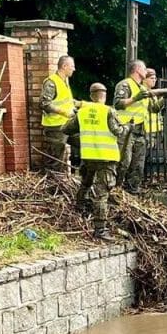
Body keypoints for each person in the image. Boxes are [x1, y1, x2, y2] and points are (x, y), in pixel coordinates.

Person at [63, 83, 125, 240]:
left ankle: (78, 210)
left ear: (91, 96)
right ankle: (100, 229)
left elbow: (66, 129)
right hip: (106, 158)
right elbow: (118, 131)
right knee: (101, 194)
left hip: (89, 156)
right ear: (104, 96)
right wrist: (126, 128)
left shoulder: (82, 112)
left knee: (85, 184)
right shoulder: (108, 111)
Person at [113, 59, 152, 193]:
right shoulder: (125, 85)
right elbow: (118, 104)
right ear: (137, 70)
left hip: (140, 131)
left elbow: (151, 108)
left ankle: (132, 190)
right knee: (124, 162)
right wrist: (135, 98)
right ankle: (115, 188)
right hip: (126, 130)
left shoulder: (142, 88)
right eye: (144, 68)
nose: (146, 71)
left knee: (138, 165)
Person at [41, 55, 78, 172]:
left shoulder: (64, 81)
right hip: (55, 126)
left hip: (66, 124)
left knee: (84, 143)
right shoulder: (51, 82)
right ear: (64, 66)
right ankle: (52, 186)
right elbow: (44, 103)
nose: (74, 69)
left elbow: (67, 101)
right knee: (55, 160)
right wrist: (65, 113)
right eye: (72, 66)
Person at [143, 68, 166, 148]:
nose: (154, 80)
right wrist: (165, 98)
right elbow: (154, 108)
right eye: (152, 78)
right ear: (144, 79)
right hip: (147, 130)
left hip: (155, 129)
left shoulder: (152, 93)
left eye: (155, 78)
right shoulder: (143, 93)